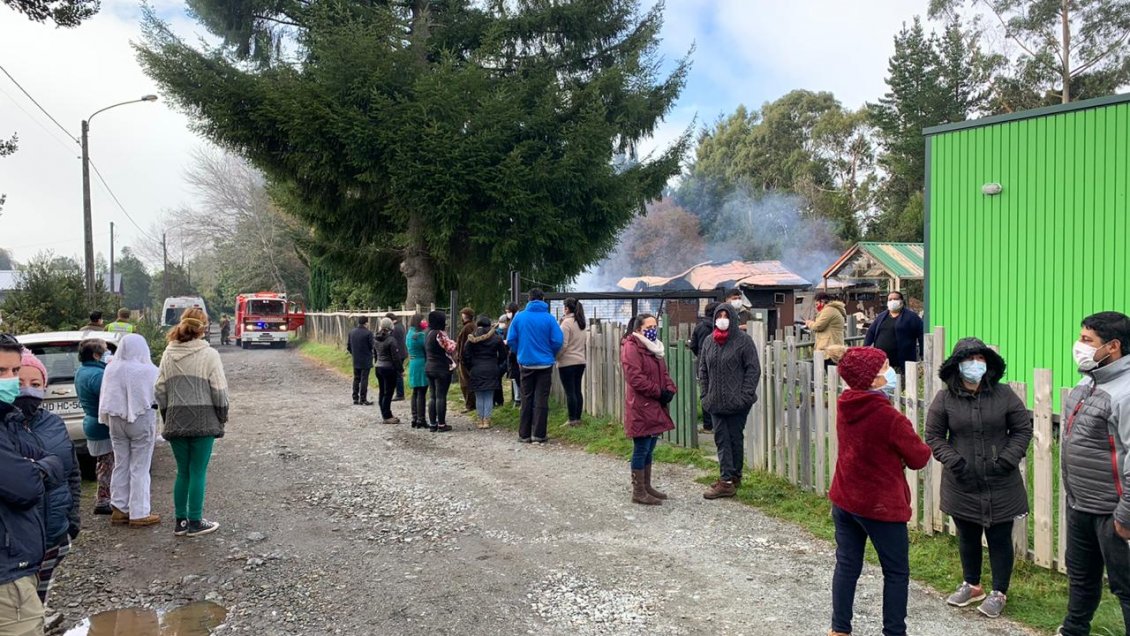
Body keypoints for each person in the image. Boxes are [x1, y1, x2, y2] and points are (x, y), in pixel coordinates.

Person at [828, 347, 932, 636]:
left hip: (846, 497)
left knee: (847, 565)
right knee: (896, 573)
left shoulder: (845, 403)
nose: (890, 372)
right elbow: (919, 457)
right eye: (885, 367)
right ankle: (894, 631)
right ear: (873, 380)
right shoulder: (888, 417)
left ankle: (839, 629)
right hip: (880, 506)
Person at [925, 338, 1032, 618]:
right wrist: (954, 461)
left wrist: (1008, 458)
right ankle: (972, 584)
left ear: (988, 364)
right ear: (958, 365)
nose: (976, 364)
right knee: (967, 535)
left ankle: (999, 591)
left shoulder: (1004, 394)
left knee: (999, 537)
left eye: (981, 359)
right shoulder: (945, 398)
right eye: (970, 359)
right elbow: (934, 436)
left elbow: (1022, 429)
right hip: (962, 481)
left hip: (1001, 480)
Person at [1058, 311, 1130, 635]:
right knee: (1082, 577)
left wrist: (1124, 516)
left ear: (1113, 346)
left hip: (1112, 511)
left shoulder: (1125, 393)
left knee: (1126, 587)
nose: (1079, 346)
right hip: (1081, 504)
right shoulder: (1088, 380)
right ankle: (1074, 629)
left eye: (1087, 341)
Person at [0, 333, 65, 636]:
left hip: (22, 559)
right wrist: (38, 470)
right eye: (2, 372)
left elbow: (58, 464)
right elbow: (24, 488)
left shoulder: (8, 420)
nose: (13, 381)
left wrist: (69, 524)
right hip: (8, 572)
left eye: (15, 371)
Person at [14, 350, 80, 606]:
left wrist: (72, 521)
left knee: (38, 604)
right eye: (19, 383)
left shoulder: (54, 423)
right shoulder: (4, 428)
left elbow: (72, 473)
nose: (27, 391)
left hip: (54, 536)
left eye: (35, 385)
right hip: (16, 547)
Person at [156, 308, 229, 538]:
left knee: (182, 472)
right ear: (203, 328)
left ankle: (181, 523)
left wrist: (167, 415)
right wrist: (221, 417)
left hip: (176, 420)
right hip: (204, 421)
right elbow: (219, 390)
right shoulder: (209, 355)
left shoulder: (168, 353)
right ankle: (196, 520)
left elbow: (159, 389)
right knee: (198, 471)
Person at [99, 333, 162, 528]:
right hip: (142, 419)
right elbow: (158, 395)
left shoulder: (111, 368)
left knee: (121, 463)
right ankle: (139, 512)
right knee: (140, 466)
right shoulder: (150, 370)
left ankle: (119, 508)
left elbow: (106, 395)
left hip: (116, 419)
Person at [699, 305, 761, 499]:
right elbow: (703, 370)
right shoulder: (709, 341)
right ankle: (726, 479)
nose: (723, 319)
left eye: (726, 316)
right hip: (715, 401)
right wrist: (705, 396)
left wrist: (745, 396)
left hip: (737, 403)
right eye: (720, 315)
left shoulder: (744, 342)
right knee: (722, 439)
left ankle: (733, 476)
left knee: (734, 438)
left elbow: (753, 369)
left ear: (733, 319)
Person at [620, 313, 677, 505]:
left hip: (654, 403)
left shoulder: (654, 348)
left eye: (655, 326)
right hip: (641, 404)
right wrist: (658, 392)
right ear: (638, 329)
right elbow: (635, 378)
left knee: (650, 446)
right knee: (641, 447)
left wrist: (669, 388)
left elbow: (663, 372)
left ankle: (647, 486)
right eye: (649, 327)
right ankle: (638, 491)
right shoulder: (632, 347)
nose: (653, 330)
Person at [507, 289, 563, 443]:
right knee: (541, 399)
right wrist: (550, 353)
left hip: (525, 363)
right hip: (545, 364)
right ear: (543, 299)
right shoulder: (549, 319)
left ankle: (524, 434)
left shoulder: (520, 318)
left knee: (526, 397)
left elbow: (511, 339)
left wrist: (520, 352)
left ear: (529, 300)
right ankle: (539, 434)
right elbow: (558, 340)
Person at [75, 338, 114, 515]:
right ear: (96, 355)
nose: (109, 354)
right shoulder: (97, 375)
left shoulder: (82, 371)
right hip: (101, 425)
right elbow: (110, 399)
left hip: (92, 423)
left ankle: (104, 497)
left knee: (103, 462)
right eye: (105, 351)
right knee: (107, 463)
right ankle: (104, 499)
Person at [863, 290, 924, 374]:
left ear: (902, 301)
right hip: (882, 362)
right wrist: (864, 349)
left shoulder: (912, 317)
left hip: (902, 362)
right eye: (890, 299)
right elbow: (871, 332)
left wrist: (922, 353)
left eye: (895, 299)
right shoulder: (881, 317)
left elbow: (921, 335)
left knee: (900, 385)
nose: (892, 301)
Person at [462, 315, 507, 430]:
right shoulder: (496, 338)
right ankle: (487, 419)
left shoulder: (471, 338)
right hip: (492, 368)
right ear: (489, 325)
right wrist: (498, 366)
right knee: (488, 395)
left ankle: (480, 419)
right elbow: (503, 355)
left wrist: (471, 367)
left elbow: (465, 355)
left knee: (479, 396)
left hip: (476, 369)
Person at [689, 301, 720, 432]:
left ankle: (708, 425)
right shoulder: (719, 327)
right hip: (719, 361)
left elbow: (693, 345)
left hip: (703, 362)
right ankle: (719, 422)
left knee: (705, 392)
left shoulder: (699, 326)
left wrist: (700, 355)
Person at [424, 311, 456, 433]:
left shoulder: (427, 333)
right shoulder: (439, 334)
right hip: (441, 368)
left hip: (429, 367)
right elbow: (450, 347)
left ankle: (432, 424)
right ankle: (442, 424)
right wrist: (454, 342)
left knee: (432, 396)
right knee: (440, 396)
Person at [557, 298, 588, 427]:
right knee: (577, 390)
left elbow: (563, 345)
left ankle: (572, 419)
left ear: (567, 308)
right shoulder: (581, 322)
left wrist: (556, 357)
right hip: (580, 361)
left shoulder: (566, 323)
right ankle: (578, 418)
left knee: (570, 392)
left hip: (567, 362)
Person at [373, 318, 404, 425]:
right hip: (389, 368)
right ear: (391, 327)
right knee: (389, 392)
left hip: (378, 367)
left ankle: (385, 413)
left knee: (382, 391)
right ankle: (387, 416)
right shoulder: (391, 340)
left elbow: (375, 354)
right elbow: (395, 358)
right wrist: (400, 369)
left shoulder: (376, 338)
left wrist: (376, 362)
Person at [806, 292, 846, 366]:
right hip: (833, 346)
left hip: (829, 348)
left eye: (817, 304)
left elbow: (818, 326)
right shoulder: (833, 310)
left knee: (829, 373)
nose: (816, 307)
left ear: (822, 301)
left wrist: (809, 323)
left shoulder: (829, 310)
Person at [405, 314, 429, 429]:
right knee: (421, 392)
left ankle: (414, 417)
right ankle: (421, 418)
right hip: (421, 363)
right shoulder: (419, 336)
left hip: (413, 363)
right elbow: (426, 349)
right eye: (423, 320)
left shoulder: (409, 334)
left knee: (415, 392)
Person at [346, 316, 375, 406]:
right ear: (366, 323)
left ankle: (355, 398)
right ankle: (363, 398)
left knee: (356, 378)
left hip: (356, 359)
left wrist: (353, 353)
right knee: (364, 379)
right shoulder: (368, 333)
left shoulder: (352, 332)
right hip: (366, 359)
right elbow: (372, 346)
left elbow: (348, 346)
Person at [454, 307, 477, 413]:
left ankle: (470, 404)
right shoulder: (472, 326)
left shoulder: (467, 328)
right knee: (468, 382)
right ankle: (471, 403)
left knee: (465, 383)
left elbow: (463, 345)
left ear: (464, 316)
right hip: (470, 359)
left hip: (464, 360)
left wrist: (460, 358)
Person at [386, 313, 407, 401]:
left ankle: (400, 393)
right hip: (402, 352)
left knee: (398, 374)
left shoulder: (394, 329)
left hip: (398, 353)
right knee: (398, 373)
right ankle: (398, 392)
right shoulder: (401, 326)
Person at [504, 302, 522, 407]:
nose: (507, 314)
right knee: (516, 378)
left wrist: (512, 348)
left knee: (517, 377)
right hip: (514, 352)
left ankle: (518, 399)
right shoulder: (513, 321)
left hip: (515, 353)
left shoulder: (515, 321)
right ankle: (517, 398)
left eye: (508, 312)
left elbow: (512, 339)